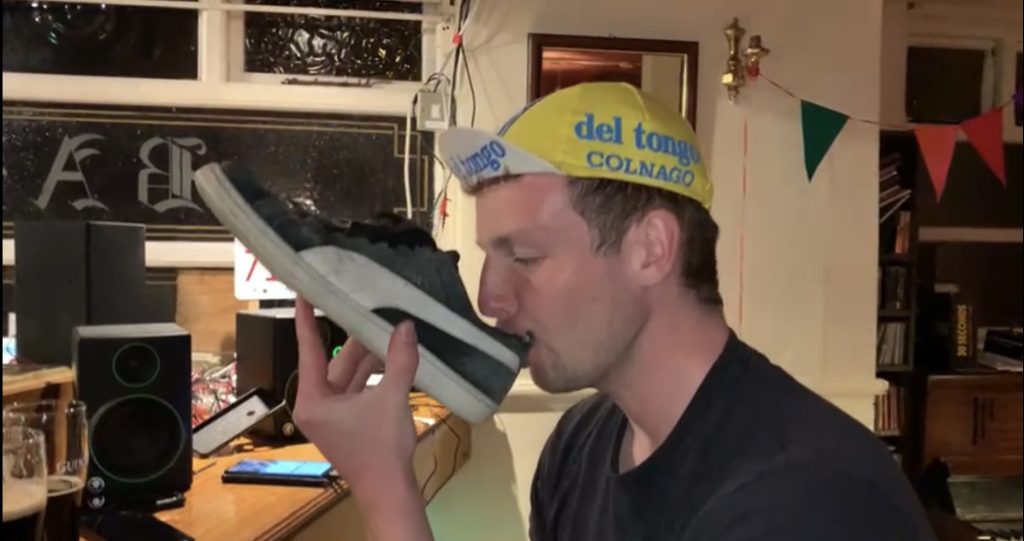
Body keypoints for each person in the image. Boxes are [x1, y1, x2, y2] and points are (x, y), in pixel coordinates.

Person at [290, 82, 938, 540]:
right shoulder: (579, 444)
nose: (489, 297)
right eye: (490, 256)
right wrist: (384, 476)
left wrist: (384, 489)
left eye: (526, 255)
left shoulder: (802, 501)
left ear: (650, 249)